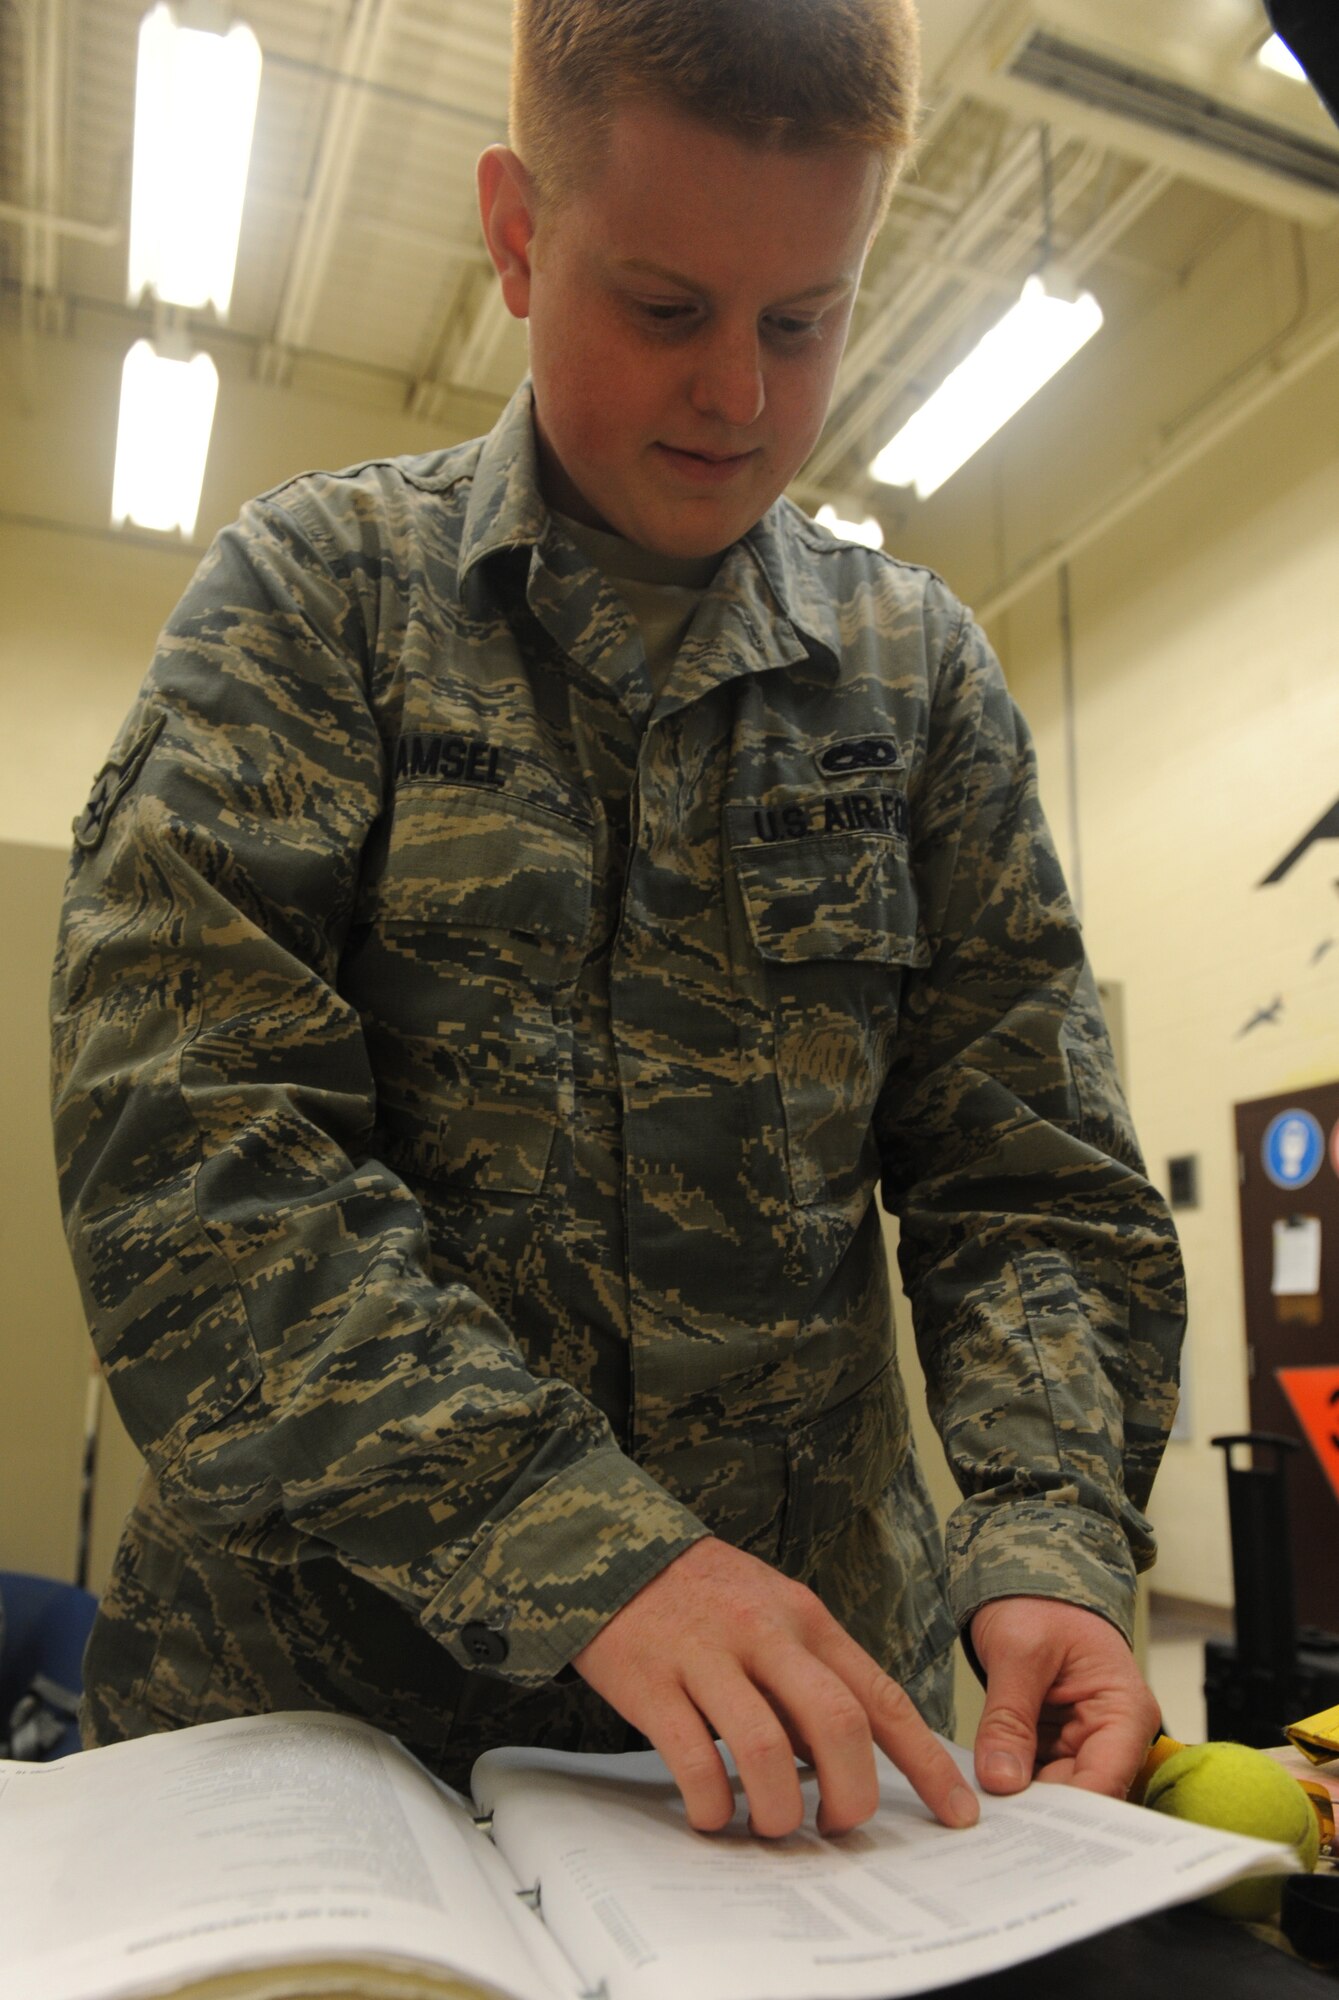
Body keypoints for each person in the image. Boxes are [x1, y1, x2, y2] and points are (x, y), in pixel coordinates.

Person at [50, 0, 1184, 1841]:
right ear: (515, 231)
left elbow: (1027, 1181)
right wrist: (581, 1547)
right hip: (332, 1742)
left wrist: (1050, 1539)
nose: (740, 392)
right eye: (666, 309)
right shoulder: (314, 606)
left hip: (796, 1772)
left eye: (802, 319)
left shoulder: (919, 680)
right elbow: (190, 1155)